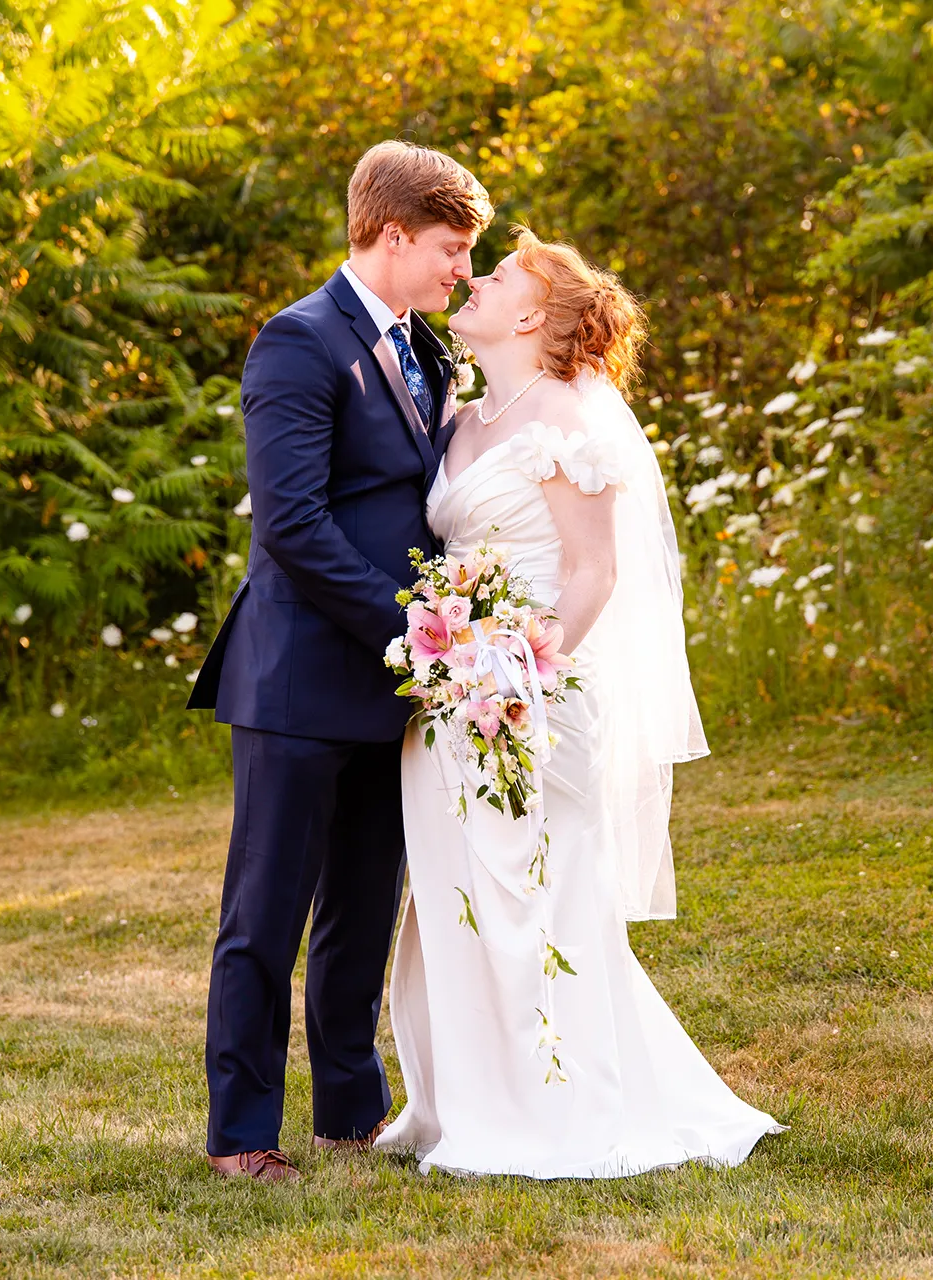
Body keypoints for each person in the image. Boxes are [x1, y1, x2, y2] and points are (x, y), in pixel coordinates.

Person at [371, 229, 784, 1177]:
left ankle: (556, 1104)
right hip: (452, 690)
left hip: (530, 695)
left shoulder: (565, 420)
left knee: (537, 891)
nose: (475, 279)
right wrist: (457, 659)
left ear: (533, 316)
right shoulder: (465, 415)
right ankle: (453, 1103)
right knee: (450, 895)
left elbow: (594, 573)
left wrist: (519, 672)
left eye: (501, 274)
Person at [185, 141, 492, 1182]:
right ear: (392, 234)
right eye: (451, 250)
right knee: (267, 913)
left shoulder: (427, 350)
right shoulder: (297, 342)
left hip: (392, 680)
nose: (462, 272)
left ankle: (349, 1115)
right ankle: (241, 1134)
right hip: (298, 680)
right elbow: (294, 526)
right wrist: (412, 627)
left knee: (365, 907)